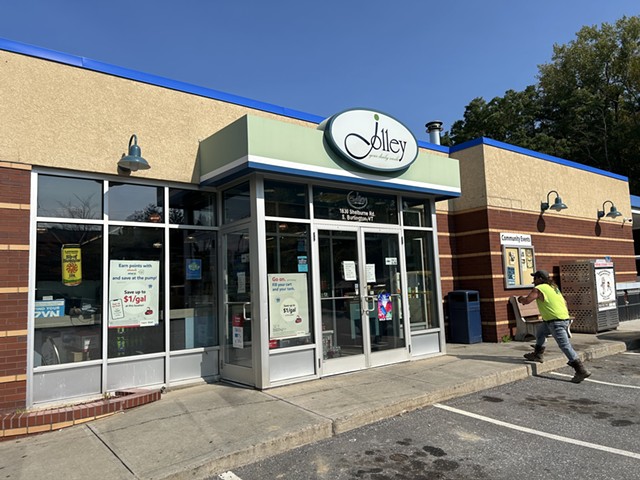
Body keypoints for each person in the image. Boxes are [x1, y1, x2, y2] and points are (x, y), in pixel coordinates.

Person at [518, 270, 591, 383]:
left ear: (540, 279)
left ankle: (580, 370)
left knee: (565, 346)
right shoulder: (554, 288)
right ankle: (538, 354)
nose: (533, 280)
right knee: (541, 331)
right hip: (559, 319)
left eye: (535, 278)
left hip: (555, 322)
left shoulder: (539, 288)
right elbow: (565, 302)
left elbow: (527, 300)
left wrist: (521, 299)